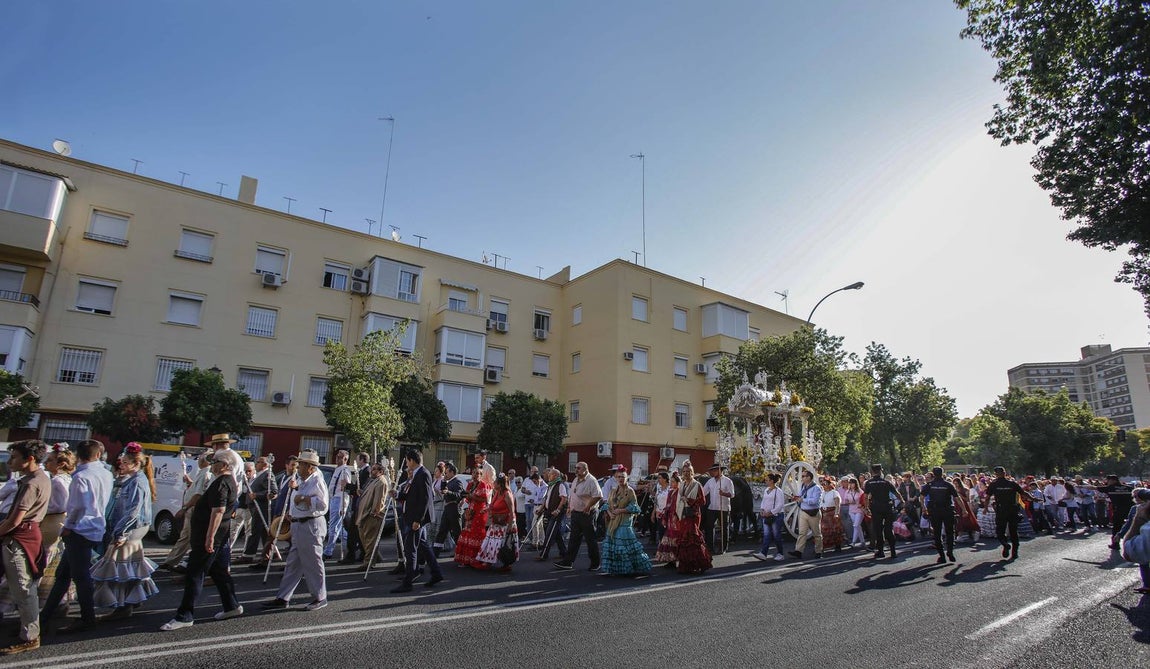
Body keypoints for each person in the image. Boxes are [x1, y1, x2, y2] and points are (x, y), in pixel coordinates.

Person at [159, 451, 242, 630]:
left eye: (216, 461)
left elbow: (218, 511)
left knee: (195, 573)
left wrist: (209, 537)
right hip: (215, 535)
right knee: (219, 572)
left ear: (225, 466)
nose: (212, 464)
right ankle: (232, 606)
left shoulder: (222, 483)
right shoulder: (224, 481)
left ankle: (185, 615)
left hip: (210, 535)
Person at [39, 439, 113, 634]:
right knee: (63, 574)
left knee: (80, 576)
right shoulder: (106, 473)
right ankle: (44, 617)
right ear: (98, 454)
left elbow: (77, 506)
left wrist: (69, 526)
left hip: (80, 529)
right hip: (95, 526)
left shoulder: (81, 476)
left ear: (79, 456)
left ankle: (87, 618)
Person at [91, 443, 159, 619]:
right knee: (129, 567)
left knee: (120, 568)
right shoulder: (133, 479)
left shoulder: (137, 481)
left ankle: (123, 605)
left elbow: (134, 511)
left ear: (136, 464)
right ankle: (130, 600)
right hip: (131, 529)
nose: (121, 464)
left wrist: (122, 532)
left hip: (131, 530)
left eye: (126, 462)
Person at [0, 440, 51, 655]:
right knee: (22, 586)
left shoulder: (32, 483)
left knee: (23, 587)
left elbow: (15, 520)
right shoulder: (37, 478)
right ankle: (27, 631)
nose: (10, 461)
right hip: (26, 534)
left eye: (14, 457)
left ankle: (30, 636)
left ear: (29, 459)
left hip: (20, 537)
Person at [263, 449, 329, 611]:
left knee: (313, 563)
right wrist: (291, 514)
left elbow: (323, 505)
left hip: (311, 525)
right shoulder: (301, 478)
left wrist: (304, 498)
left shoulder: (317, 480)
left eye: (301, 464)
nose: (298, 467)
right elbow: (295, 499)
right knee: (293, 563)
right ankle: (283, 596)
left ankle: (320, 597)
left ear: (310, 467)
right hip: (298, 523)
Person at [392, 450, 444, 592]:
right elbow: (411, 496)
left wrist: (418, 520)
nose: (407, 464)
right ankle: (436, 573)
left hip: (416, 518)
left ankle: (408, 582)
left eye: (407, 461)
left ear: (412, 461)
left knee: (411, 549)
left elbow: (425, 499)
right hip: (413, 516)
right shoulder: (416, 474)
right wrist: (397, 494)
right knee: (424, 547)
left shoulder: (423, 474)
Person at [160, 452, 212, 572]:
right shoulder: (202, 472)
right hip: (192, 508)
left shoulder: (205, 473)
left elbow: (198, 495)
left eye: (199, 458)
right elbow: (196, 488)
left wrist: (184, 508)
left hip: (192, 509)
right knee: (187, 536)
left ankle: (174, 562)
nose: (198, 460)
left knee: (188, 537)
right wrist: (190, 482)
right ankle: (172, 561)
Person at [38, 445, 74, 605]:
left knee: (46, 556)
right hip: (55, 520)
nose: (46, 463)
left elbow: (60, 504)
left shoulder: (58, 481)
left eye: (50, 460)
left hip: (53, 520)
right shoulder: (61, 479)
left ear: (60, 463)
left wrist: (39, 507)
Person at [599, 467, 651, 577]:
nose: (621, 479)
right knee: (614, 545)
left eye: (623, 477)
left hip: (625, 522)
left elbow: (635, 507)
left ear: (626, 478)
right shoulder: (613, 491)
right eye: (618, 477)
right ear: (615, 478)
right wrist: (610, 513)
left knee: (624, 545)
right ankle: (617, 569)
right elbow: (606, 505)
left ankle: (630, 568)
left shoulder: (630, 491)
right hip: (613, 522)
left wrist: (621, 510)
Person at [554, 462, 602, 571]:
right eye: (575, 468)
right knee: (573, 539)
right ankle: (568, 562)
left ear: (586, 469)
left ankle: (595, 563)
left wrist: (588, 506)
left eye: (578, 468)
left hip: (587, 514)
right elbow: (573, 494)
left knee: (590, 539)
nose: (576, 470)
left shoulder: (591, 480)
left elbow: (598, 495)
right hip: (576, 513)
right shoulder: (576, 480)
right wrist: (570, 507)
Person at [672, 462, 711, 575]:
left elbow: (702, 501)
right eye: (684, 471)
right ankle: (686, 565)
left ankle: (698, 563)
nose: (686, 473)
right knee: (684, 538)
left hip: (693, 515)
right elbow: (678, 500)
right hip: (683, 514)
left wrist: (688, 500)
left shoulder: (697, 485)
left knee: (692, 538)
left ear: (692, 472)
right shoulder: (682, 485)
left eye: (688, 471)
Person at [475, 474, 518, 572]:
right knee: (490, 542)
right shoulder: (498, 492)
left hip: (505, 524)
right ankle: (488, 561)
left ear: (500, 484)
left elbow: (512, 511)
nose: (493, 483)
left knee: (503, 545)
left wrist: (510, 527)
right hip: (496, 522)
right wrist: (485, 509)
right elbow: (492, 505)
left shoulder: (507, 494)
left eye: (495, 482)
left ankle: (506, 563)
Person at [240, 455, 278, 563]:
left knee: (255, 531)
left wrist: (257, 495)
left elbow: (273, 491)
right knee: (264, 532)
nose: (256, 463)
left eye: (258, 462)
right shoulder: (259, 475)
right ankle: (271, 552)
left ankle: (248, 555)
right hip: (254, 507)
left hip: (261, 507)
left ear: (265, 464)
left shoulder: (267, 475)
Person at [985, 466, 1026, 560]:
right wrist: (1033, 499)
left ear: (995, 474)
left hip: (1001, 510)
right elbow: (1023, 493)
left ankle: (1005, 544)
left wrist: (985, 508)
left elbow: (987, 497)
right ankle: (1014, 552)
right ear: (1005, 473)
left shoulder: (994, 484)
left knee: (1000, 532)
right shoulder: (1012, 483)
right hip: (1012, 509)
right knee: (1013, 532)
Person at [863, 464, 903, 559]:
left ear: (872, 472)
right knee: (889, 529)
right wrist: (903, 501)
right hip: (887, 506)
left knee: (878, 530)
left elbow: (866, 497)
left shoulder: (869, 483)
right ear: (881, 471)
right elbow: (896, 493)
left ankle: (881, 551)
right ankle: (893, 551)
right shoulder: (886, 482)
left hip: (876, 507)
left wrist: (866, 507)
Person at [922, 466, 961, 563]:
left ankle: (942, 556)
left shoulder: (930, 485)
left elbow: (921, 497)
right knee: (950, 532)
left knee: (937, 533)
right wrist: (964, 510)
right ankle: (950, 552)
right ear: (942, 473)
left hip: (935, 511)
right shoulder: (948, 484)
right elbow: (957, 498)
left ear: (933, 474)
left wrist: (924, 508)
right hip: (947, 510)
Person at [356, 461, 390, 567]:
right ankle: (375, 558)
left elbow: (379, 500)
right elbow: (370, 494)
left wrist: (374, 512)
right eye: (372, 468)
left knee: (370, 541)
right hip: (364, 514)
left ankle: (368, 563)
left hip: (371, 516)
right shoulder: (374, 481)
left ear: (381, 471)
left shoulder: (381, 482)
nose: (372, 471)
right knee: (366, 540)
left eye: (375, 469)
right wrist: (362, 493)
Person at [455, 469, 492, 568]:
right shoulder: (470, 484)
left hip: (480, 512)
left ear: (481, 475)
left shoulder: (483, 484)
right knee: (467, 533)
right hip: (470, 512)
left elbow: (485, 499)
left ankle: (477, 559)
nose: (475, 475)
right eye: (474, 473)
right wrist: (467, 497)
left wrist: (472, 496)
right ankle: (466, 559)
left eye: (478, 473)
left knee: (476, 534)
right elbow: (467, 498)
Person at [341, 452, 371, 565]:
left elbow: (361, 488)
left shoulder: (366, 472)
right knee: (358, 532)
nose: (357, 461)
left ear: (362, 460)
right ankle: (363, 554)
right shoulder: (362, 471)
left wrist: (347, 485)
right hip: (357, 505)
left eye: (358, 459)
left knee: (353, 531)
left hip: (361, 506)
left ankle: (352, 555)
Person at [323, 449, 352, 559]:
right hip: (333, 499)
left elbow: (345, 490)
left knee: (333, 526)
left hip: (339, 500)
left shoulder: (345, 471)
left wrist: (343, 506)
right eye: (337, 456)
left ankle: (328, 551)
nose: (337, 458)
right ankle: (351, 544)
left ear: (345, 459)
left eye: (340, 457)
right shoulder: (337, 469)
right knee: (339, 528)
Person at [788, 470, 823, 559]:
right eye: (802, 476)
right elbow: (800, 496)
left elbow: (815, 501)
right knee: (802, 533)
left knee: (816, 533)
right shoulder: (803, 486)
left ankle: (818, 551)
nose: (802, 478)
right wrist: (796, 498)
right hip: (804, 511)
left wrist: (803, 500)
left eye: (804, 476)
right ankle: (798, 551)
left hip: (813, 513)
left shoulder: (816, 488)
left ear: (809, 477)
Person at [536, 468, 568, 561]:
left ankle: (544, 554)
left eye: (550, 475)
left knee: (549, 533)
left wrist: (558, 510)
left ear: (555, 475)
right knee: (556, 533)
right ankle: (563, 552)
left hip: (556, 513)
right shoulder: (550, 485)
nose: (548, 476)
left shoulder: (560, 485)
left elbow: (564, 498)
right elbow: (546, 499)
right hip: (549, 512)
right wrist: (541, 509)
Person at [433, 462, 464, 556]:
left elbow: (459, 495)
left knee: (457, 532)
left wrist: (448, 492)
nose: (445, 474)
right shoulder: (449, 481)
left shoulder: (457, 481)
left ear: (452, 472)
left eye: (447, 473)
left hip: (454, 509)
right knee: (442, 530)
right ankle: (435, 552)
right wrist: (443, 482)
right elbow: (444, 491)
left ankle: (460, 553)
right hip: (447, 508)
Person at [753, 472, 786, 561]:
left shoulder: (778, 491)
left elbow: (780, 505)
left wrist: (771, 512)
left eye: (767, 480)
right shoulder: (766, 490)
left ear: (772, 481)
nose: (766, 482)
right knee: (766, 535)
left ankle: (780, 553)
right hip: (766, 515)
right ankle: (763, 553)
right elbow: (764, 501)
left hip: (776, 516)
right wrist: (762, 509)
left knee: (776, 535)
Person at [702, 463, 734, 555]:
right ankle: (710, 547)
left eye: (715, 470)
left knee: (724, 528)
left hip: (723, 508)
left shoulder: (728, 481)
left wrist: (723, 493)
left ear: (720, 470)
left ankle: (723, 547)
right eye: (712, 470)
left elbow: (732, 494)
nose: (713, 472)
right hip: (712, 507)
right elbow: (704, 492)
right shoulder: (710, 481)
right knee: (709, 527)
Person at [653, 473, 682, 566]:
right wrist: (655, 512)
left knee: (674, 539)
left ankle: (676, 558)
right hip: (665, 516)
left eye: (674, 481)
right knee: (666, 537)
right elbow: (659, 503)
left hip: (674, 518)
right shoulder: (666, 491)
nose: (672, 483)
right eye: (672, 481)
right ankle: (669, 558)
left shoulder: (677, 492)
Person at [1099, 475, 1134, 549]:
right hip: (1130, 509)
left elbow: (1094, 487)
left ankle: (1115, 544)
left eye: (1108, 480)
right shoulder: (1128, 487)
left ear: (1113, 480)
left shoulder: (1111, 488)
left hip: (1118, 510)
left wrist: (1080, 486)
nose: (1107, 482)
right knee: (1133, 526)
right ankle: (1134, 544)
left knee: (1116, 527)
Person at [819, 476, 845, 553]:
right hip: (824, 513)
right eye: (822, 484)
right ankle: (822, 546)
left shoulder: (834, 493)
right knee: (823, 531)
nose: (823, 485)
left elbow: (837, 504)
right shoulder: (822, 493)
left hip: (832, 513)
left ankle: (837, 545)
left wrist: (836, 513)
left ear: (829, 484)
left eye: (825, 484)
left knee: (835, 530)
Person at [842, 478, 865, 547]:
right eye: (850, 483)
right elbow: (845, 501)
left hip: (859, 510)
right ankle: (862, 541)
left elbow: (863, 499)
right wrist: (850, 502)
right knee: (858, 526)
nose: (851, 485)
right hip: (851, 510)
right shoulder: (848, 492)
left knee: (855, 525)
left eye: (852, 483)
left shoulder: (860, 491)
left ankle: (853, 542)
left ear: (855, 483)